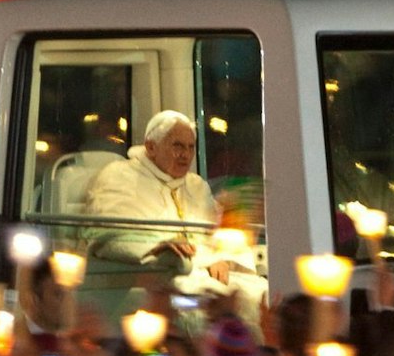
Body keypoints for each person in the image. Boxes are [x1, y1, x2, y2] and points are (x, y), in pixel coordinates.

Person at [81, 110, 266, 322]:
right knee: (213, 305)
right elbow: (107, 235)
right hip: (156, 278)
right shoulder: (120, 176)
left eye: (190, 147)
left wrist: (220, 258)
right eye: (177, 146)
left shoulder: (196, 185)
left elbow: (217, 238)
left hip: (205, 274)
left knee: (262, 295)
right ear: (151, 147)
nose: (185, 155)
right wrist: (156, 248)